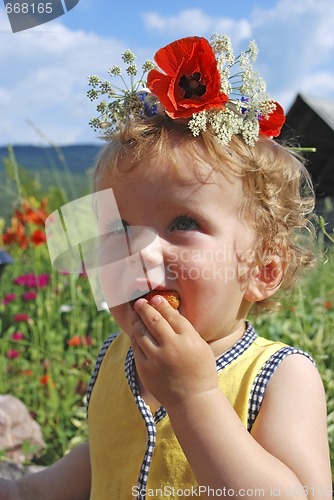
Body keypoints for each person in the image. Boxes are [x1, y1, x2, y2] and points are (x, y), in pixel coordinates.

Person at [0, 34, 331, 499]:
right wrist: (21, 492)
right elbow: (102, 459)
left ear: (262, 269)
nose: (140, 251)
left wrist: (193, 398)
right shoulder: (117, 358)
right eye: (119, 228)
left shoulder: (280, 376)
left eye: (183, 222)